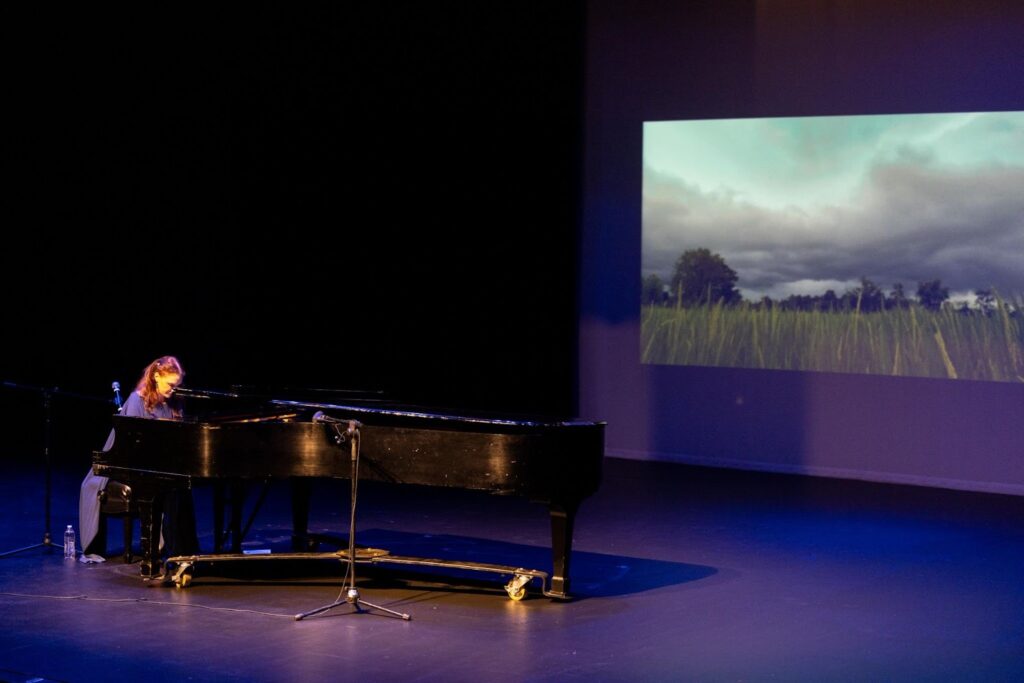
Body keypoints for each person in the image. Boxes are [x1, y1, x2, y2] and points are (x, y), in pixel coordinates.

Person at [80, 355, 199, 557]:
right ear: (156, 376)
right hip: (131, 465)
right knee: (171, 486)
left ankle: (183, 550)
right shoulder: (138, 400)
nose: (173, 390)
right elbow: (131, 447)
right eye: (170, 385)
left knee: (182, 486)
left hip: (159, 464)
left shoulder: (174, 402)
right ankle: (172, 550)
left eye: (176, 386)